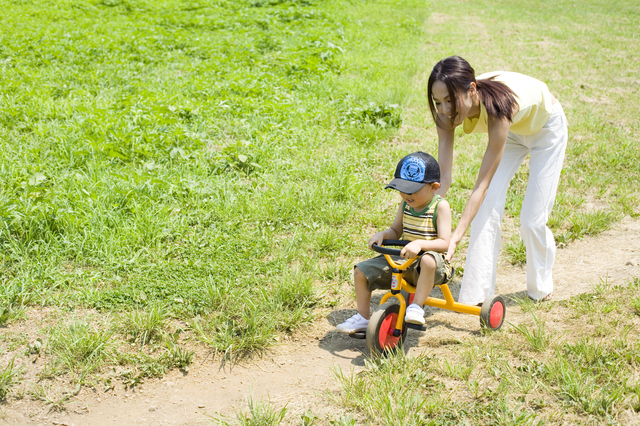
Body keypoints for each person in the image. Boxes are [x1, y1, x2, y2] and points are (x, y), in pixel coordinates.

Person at [427, 56, 568, 305]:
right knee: (486, 207)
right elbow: (444, 179)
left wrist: (455, 238)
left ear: (471, 90)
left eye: (450, 100)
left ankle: (540, 286)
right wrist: (421, 217)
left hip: (547, 129)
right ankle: (477, 296)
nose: (445, 109)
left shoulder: (499, 107)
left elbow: (481, 184)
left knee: (531, 221)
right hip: (514, 133)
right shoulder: (445, 114)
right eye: (438, 102)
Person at [336, 152, 452, 334]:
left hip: (431, 265)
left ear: (434, 187)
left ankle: (416, 307)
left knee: (428, 260)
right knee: (360, 271)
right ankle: (363, 318)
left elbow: (444, 243)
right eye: (402, 189)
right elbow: (395, 231)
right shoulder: (405, 205)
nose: (406, 195)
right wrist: (383, 234)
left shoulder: (440, 206)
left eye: (412, 190)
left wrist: (420, 244)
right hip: (404, 260)